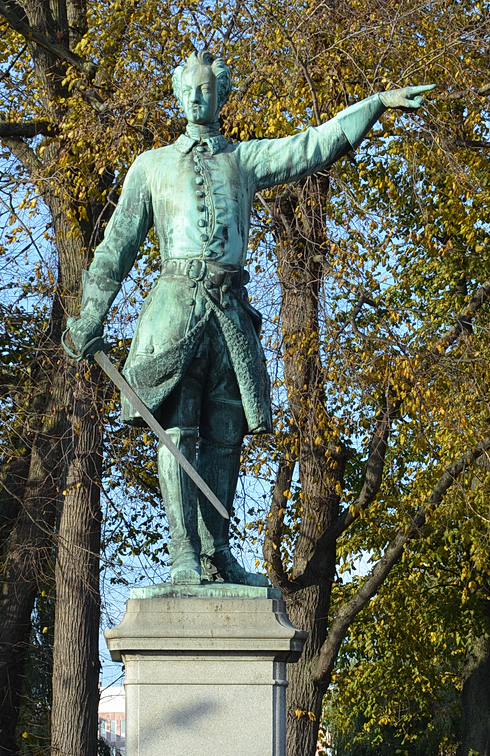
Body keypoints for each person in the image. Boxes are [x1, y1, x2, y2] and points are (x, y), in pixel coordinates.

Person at [66, 49, 431, 586]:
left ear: (221, 96)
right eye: (189, 89)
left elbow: (310, 146)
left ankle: (217, 554)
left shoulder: (244, 159)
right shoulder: (151, 167)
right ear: (177, 94)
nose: (196, 97)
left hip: (231, 313)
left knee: (227, 434)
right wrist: (90, 314)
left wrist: (372, 105)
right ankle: (184, 557)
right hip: (174, 309)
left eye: (206, 90)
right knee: (178, 432)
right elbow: (116, 246)